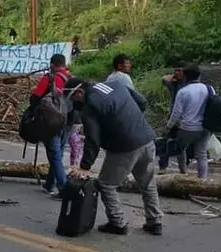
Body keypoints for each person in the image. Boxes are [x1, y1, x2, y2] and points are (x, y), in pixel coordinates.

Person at [65, 77, 163, 236]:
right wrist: (130, 120)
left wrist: (85, 166)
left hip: (124, 147)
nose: (74, 103)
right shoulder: (116, 85)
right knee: (147, 183)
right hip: (146, 139)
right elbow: (142, 102)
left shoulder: (90, 106)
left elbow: (93, 139)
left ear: (79, 91)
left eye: (73, 98)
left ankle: (118, 223)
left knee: (106, 185)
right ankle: (155, 221)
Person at [30, 53, 73, 198]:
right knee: (58, 154)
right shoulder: (72, 79)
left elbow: (35, 97)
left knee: (54, 156)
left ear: (52, 65)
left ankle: (64, 188)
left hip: (51, 123)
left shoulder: (50, 78)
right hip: (68, 122)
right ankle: (49, 184)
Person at [166, 64, 212, 178]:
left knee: (180, 149)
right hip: (206, 126)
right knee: (201, 154)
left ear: (185, 76)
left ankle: (183, 173)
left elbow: (176, 113)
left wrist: (168, 126)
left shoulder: (183, 91)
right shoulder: (208, 88)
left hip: (188, 127)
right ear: (199, 76)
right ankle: (203, 179)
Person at [158, 62, 193, 173]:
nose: (177, 73)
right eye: (175, 70)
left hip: (185, 118)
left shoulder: (188, 85)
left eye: (180, 70)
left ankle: (183, 168)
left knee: (182, 144)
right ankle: (163, 166)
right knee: (167, 141)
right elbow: (164, 79)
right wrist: (173, 76)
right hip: (173, 117)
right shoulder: (174, 84)